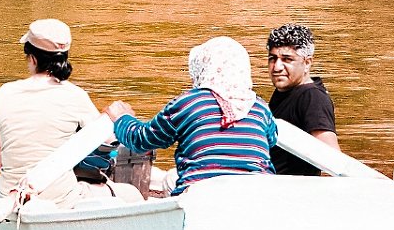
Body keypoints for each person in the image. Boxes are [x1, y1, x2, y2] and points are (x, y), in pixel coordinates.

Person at [0, 18, 143, 208]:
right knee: (131, 193)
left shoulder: (3, 93)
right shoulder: (74, 95)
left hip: (11, 198)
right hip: (60, 199)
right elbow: (109, 140)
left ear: (32, 58)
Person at [105, 36, 277, 196]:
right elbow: (271, 140)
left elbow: (142, 139)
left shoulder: (189, 103)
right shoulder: (260, 107)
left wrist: (121, 118)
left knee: (173, 181)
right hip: (258, 194)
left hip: (201, 194)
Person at [266, 23, 339, 176]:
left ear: (307, 63)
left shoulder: (312, 97)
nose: (277, 67)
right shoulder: (285, 91)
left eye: (287, 59)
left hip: (295, 194)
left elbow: (333, 159)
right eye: (273, 58)